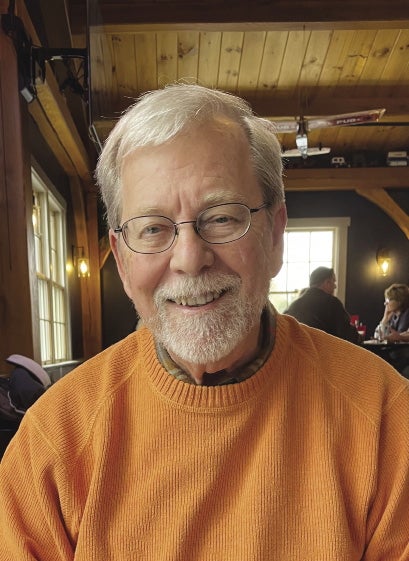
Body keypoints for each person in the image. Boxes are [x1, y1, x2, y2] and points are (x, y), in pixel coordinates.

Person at [1, 84, 409, 560]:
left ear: (275, 237)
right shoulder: (55, 438)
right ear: (122, 258)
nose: (190, 259)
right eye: (153, 228)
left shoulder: (385, 416)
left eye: (221, 218)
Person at [284, 266, 360, 343]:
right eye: (333, 281)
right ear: (327, 282)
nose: (335, 286)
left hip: (296, 353)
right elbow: (347, 336)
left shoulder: (293, 306)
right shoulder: (332, 303)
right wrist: (357, 335)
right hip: (323, 352)